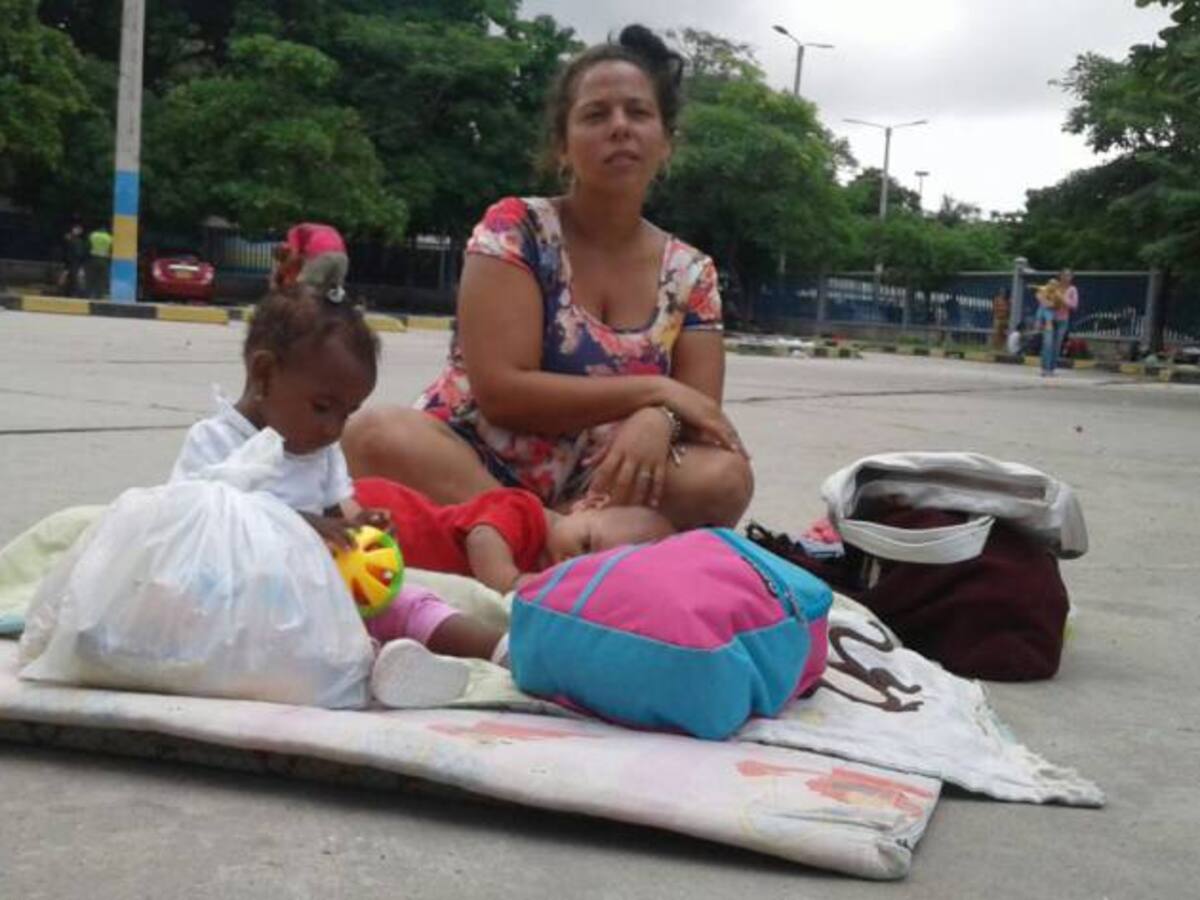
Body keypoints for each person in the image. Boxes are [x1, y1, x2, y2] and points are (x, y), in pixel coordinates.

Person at [343, 25, 753, 531]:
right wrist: (653, 393)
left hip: (599, 486)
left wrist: (660, 418)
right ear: (562, 147)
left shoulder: (691, 273)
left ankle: (536, 540)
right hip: (470, 465)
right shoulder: (517, 229)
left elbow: (700, 416)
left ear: (666, 142)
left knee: (724, 478)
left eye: (639, 112)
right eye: (596, 115)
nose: (620, 127)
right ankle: (550, 538)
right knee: (374, 434)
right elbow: (502, 392)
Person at [170, 284, 510, 708]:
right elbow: (206, 522)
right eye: (322, 407)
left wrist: (357, 529)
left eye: (347, 413)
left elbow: (333, 515)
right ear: (263, 375)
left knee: (401, 596)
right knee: (320, 638)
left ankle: (503, 649)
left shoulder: (321, 449)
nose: (334, 428)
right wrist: (314, 528)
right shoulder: (215, 441)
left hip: (322, 585)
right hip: (249, 596)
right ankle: (380, 666)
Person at [353, 476, 674, 595]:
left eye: (588, 570)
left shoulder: (551, 576)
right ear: (589, 505)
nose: (570, 563)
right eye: (585, 544)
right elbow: (483, 537)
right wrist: (510, 584)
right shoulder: (525, 509)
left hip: (386, 570)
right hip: (385, 516)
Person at [272, 222, 349, 299]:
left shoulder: (294, 231)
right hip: (342, 256)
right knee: (333, 293)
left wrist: (280, 271)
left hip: (320, 253)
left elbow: (294, 256)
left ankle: (303, 309)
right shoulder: (323, 229)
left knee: (303, 288)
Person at [1036, 270, 1079, 376]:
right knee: (1047, 342)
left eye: (1069, 275)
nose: (1066, 277)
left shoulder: (1072, 290)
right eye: (1064, 275)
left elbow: (1074, 305)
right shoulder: (1053, 285)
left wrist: (1062, 298)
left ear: (1072, 277)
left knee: (1056, 345)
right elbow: (1041, 297)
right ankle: (1044, 368)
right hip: (1049, 319)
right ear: (1060, 276)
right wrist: (1039, 318)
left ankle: (1051, 369)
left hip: (1062, 320)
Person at [86, 224, 112, 299]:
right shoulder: (109, 237)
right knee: (102, 279)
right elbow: (111, 249)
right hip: (104, 259)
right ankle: (99, 295)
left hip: (93, 258)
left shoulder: (92, 235)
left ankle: (89, 294)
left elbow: (87, 246)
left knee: (91, 278)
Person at [61, 224, 87, 298]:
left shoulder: (76, 241)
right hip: (72, 263)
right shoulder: (74, 241)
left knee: (73, 280)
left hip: (73, 263)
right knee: (72, 279)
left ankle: (72, 294)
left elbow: (78, 253)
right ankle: (72, 294)